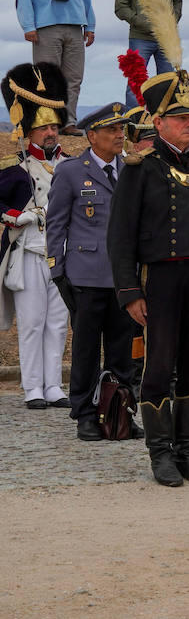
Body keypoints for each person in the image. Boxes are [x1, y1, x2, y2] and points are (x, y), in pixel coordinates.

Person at [109, 69, 189, 486]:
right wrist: (129, 292)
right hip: (162, 280)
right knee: (159, 367)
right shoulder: (141, 168)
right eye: (181, 119)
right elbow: (120, 236)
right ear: (158, 122)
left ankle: (187, 452)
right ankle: (160, 454)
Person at [45, 102, 140, 439]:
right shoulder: (71, 171)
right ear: (92, 136)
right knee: (85, 350)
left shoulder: (131, 169)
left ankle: (120, 412)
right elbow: (56, 225)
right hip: (85, 276)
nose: (119, 135)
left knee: (121, 351)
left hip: (123, 278)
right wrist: (57, 270)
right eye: (112, 130)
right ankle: (85, 413)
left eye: (121, 129)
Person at [0, 62, 73, 408]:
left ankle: (54, 385)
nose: (50, 133)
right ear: (29, 131)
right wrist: (20, 217)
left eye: (54, 127)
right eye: (43, 127)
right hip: (29, 252)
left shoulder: (70, 165)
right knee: (31, 323)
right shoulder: (13, 169)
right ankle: (32, 388)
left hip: (62, 254)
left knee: (58, 323)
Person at [16, 0, 95, 132]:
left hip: (75, 27)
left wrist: (90, 25)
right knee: (47, 78)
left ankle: (68, 122)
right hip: (46, 27)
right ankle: (49, 124)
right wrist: (28, 26)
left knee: (74, 78)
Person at [114, 0, 182, 105]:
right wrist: (141, 22)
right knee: (135, 81)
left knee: (168, 81)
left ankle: (165, 117)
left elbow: (177, 1)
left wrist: (172, 20)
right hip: (140, 37)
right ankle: (134, 117)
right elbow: (120, 7)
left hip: (167, 38)